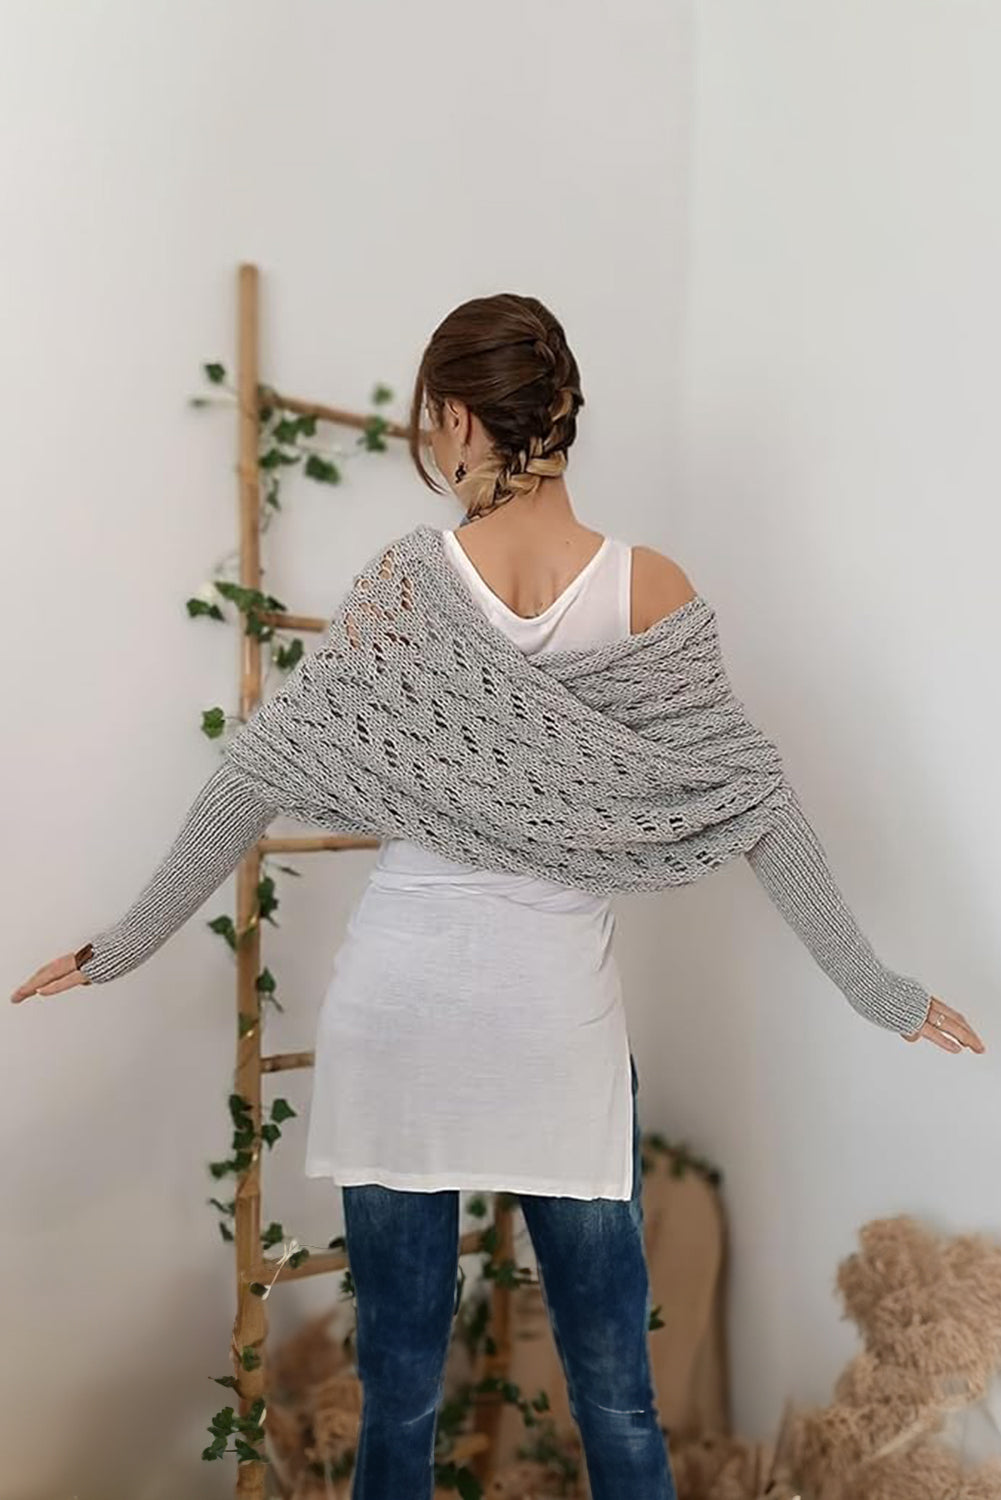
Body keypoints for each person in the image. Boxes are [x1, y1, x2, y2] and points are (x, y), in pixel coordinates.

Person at [11, 292, 985, 1500]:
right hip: (555, 1038)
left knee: (395, 1409)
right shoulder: (649, 590)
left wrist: (125, 943)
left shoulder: (406, 589)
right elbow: (758, 808)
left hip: (399, 1023)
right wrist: (875, 988)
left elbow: (249, 776)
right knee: (618, 1401)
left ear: (461, 419)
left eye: (434, 425)